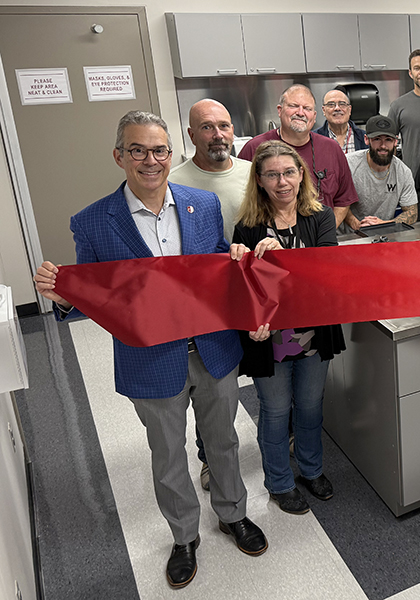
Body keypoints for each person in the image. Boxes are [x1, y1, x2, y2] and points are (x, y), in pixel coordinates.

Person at [33, 111, 267, 590]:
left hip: (212, 349)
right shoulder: (93, 222)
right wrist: (65, 298)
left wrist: (236, 259)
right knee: (167, 453)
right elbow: (98, 298)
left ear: (170, 153)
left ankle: (232, 514)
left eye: (159, 150)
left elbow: (218, 266)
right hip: (150, 359)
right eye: (137, 150)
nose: (150, 160)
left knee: (222, 440)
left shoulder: (202, 204)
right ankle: (184, 536)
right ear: (119, 156)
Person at [232, 140, 345, 513]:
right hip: (270, 340)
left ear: (301, 175)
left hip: (313, 334)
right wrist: (249, 323)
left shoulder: (320, 217)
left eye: (288, 172)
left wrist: (286, 258)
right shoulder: (247, 227)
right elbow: (240, 289)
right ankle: (280, 482)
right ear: (259, 180)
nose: (282, 182)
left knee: (310, 408)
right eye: (272, 175)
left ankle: (312, 470)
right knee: (276, 412)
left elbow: (326, 273)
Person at [168, 98, 251, 492]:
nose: (218, 135)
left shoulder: (251, 172)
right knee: (211, 384)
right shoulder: (175, 181)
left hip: (252, 292)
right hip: (208, 304)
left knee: (256, 372)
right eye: (207, 127)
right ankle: (209, 457)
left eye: (224, 126)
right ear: (191, 134)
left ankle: (276, 439)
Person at [239, 84, 359, 228]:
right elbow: (242, 199)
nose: (301, 113)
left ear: (314, 116)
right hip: (270, 238)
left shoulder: (332, 148)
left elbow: (343, 199)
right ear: (280, 110)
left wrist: (325, 232)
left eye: (307, 108)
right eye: (294, 106)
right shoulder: (254, 148)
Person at [342, 115, 418, 232]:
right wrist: (357, 224)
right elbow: (338, 202)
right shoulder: (348, 164)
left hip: (384, 234)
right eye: (377, 139)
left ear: (395, 141)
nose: (383, 146)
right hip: (349, 236)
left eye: (388, 140)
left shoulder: (403, 172)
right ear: (366, 139)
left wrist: (384, 225)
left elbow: (412, 212)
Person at [314, 86, 367, 154]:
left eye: (342, 104)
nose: (337, 108)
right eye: (331, 104)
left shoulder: (365, 138)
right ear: (324, 110)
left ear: (349, 110)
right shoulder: (313, 139)